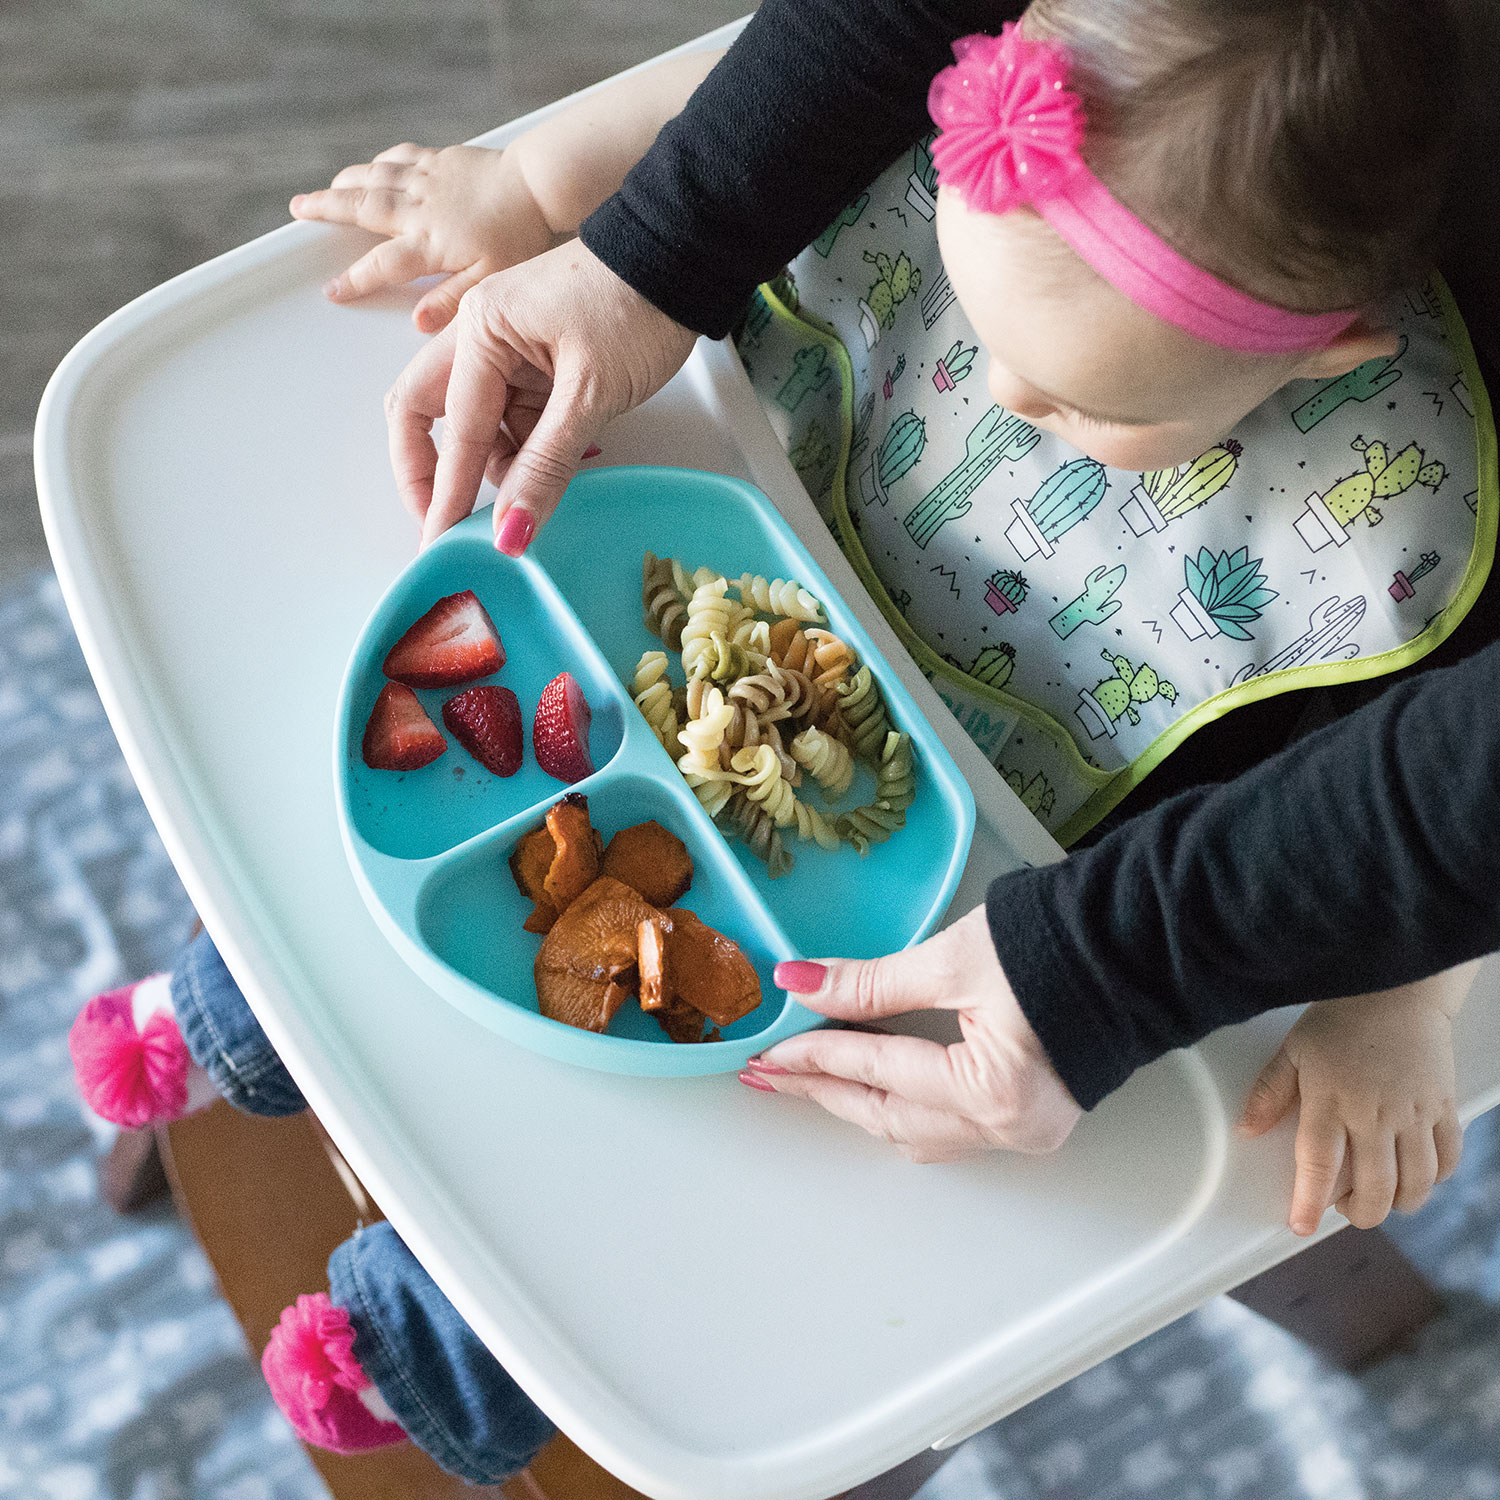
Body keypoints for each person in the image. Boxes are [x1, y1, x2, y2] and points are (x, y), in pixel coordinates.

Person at [68, 0, 1500, 1477]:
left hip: (950, 886)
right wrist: (549, 198)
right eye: (979, 325)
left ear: (1325, 360)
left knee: (739, 1132)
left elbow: (1430, 783)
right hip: (694, 581)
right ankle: (232, 1007)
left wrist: (1401, 1000)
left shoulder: (1391, 542)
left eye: (1075, 404)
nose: (1000, 404)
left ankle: (437, 1333)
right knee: (443, 825)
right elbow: (728, 84)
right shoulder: (986, 140)